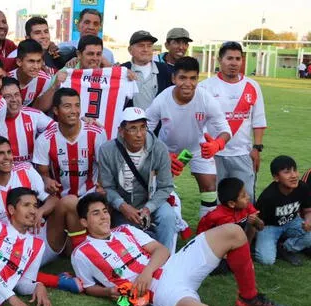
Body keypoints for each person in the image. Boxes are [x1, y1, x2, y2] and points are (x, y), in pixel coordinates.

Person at [71, 193, 306, 306]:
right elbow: (89, 286)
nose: (104, 216)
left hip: (174, 264)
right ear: (83, 222)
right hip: (158, 290)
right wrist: (109, 292)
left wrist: (146, 272)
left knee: (233, 232)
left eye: (104, 211)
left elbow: (161, 250)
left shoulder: (124, 230)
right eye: (96, 213)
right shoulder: (81, 253)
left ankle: (249, 296)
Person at [0, 136, 83, 293]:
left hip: (39, 239)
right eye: (0, 153)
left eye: (9, 152)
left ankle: (84, 259)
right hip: (8, 249)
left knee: (70, 201)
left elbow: (52, 200)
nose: (7, 158)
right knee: (2, 268)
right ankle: (59, 281)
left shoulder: (26, 170)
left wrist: (41, 211)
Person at [146, 56, 231, 218]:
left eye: (193, 78)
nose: (188, 83)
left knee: (209, 189)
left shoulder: (206, 98)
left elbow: (225, 129)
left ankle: (206, 230)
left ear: (197, 79)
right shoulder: (162, 99)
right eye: (182, 78)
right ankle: (159, 223)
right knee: (157, 190)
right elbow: (145, 130)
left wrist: (218, 144)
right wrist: (160, 154)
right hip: (168, 150)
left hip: (197, 149)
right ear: (173, 78)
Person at [98, 107, 177, 252]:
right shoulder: (107, 150)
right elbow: (108, 187)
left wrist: (149, 207)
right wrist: (123, 206)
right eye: (133, 129)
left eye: (143, 128)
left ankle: (166, 260)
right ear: (121, 131)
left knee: (168, 217)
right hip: (123, 204)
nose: (139, 134)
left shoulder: (160, 149)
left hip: (152, 201)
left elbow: (165, 186)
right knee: (129, 234)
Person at [199, 42, 266, 202]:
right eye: (229, 58)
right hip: (215, 154)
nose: (234, 63)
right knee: (215, 199)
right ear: (219, 60)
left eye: (237, 58)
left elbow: (259, 119)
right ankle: (218, 227)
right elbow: (198, 121)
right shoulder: (205, 87)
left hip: (242, 153)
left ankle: (246, 228)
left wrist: (256, 148)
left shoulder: (252, 86)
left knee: (246, 198)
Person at [58, 35, 138, 140]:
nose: (95, 58)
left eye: (98, 54)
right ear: (79, 54)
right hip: (76, 137)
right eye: (90, 54)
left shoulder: (119, 75)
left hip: (106, 138)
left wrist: (122, 74)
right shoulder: (68, 74)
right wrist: (57, 83)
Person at [33, 88, 108, 199]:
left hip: (91, 196)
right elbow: (43, 174)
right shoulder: (44, 139)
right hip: (60, 200)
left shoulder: (97, 134)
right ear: (56, 110)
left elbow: (105, 167)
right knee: (70, 202)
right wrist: (46, 181)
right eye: (67, 106)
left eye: (77, 105)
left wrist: (101, 188)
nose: (74, 111)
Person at [197, 177, 264, 276]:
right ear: (232, 203)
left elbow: (261, 227)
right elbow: (201, 237)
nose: (248, 197)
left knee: (252, 224)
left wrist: (257, 221)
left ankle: (246, 252)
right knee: (219, 269)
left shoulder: (247, 207)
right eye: (243, 196)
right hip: (217, 246)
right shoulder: (215, 216)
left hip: (235, 244)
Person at [255, 156, 311, 266]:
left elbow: (308, 210)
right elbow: (257, 222)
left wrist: (308, 222)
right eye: (287, 172)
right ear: (276, 177)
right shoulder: (268, 197)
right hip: (270, 226)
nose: (294, 175)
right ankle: (267, 245)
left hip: (293, 222)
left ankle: (284, 247)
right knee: (267, 260)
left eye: (294, 170)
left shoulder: (302, 187)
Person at [0, 77, 53, 164]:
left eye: (16, 95)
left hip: (31, 173)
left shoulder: (34, 115)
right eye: (7, 96)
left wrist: (42, 145)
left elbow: (56, 129)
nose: (14, 100)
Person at [8, 39, 68, 111]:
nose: (36, 67)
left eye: (38, 61)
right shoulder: (7, 78)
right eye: (31, 61)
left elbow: (38, 109)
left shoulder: (46, 80)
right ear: (19, 62)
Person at [121, 31, 172, 110]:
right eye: (141, 46)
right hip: (130, 122)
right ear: (130, 50)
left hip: (157, 122)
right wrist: (121, 72)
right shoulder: (122, 70)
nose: (146, 49)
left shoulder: (164, 69)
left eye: (149, 46)